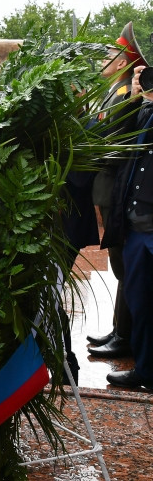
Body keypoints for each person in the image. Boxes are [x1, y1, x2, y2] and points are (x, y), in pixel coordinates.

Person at [88, 23, 148, 358]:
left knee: (125, 265)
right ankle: (119, 331)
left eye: (110, 55)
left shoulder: (127, 93)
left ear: (123, 62)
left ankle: (126, 338)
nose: (104, 60)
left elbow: (115, 138)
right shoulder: (113, 91)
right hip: (106, 189)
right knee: (120, 263)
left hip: (115, 188)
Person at [101, 63, 153, 390]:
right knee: (140, 302)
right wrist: (135, 98)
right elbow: (114, 137)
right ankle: (146, 371)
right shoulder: (146, 111)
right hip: (136, 226)